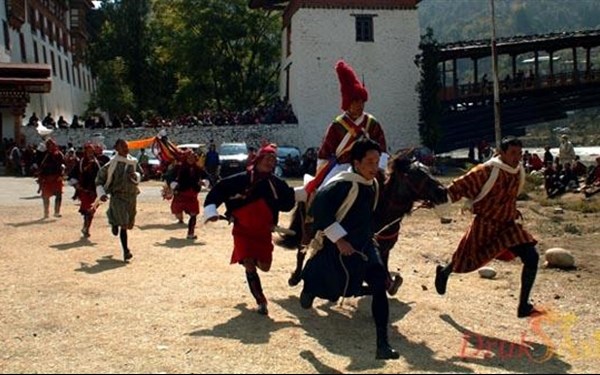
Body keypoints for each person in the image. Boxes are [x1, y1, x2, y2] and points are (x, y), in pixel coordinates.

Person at [298, 138, 399, 360]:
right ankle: (310, 291)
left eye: (376, 161)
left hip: (364, 246)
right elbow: (319, 214)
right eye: (369, 162)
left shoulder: (372, 185)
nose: (375, 167)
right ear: (356, 162)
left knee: (378, 284)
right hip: (336, 247)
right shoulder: (340, 185)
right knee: (329, 288)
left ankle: (382, 345)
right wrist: (340, 240)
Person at [434, 136, 544, 319]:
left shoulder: (518, 171)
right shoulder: (487, 170)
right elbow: (462, 185)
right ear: (502, 153)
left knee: (532, 257)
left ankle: (523, 306)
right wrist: (439, 198)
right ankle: (444, 272)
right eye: (513, 153)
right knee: (465, 259)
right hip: (485, 225)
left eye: (519, 153)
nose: (517, 157)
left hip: (508, 226)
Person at [203, 144, 298, 315]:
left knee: (265, 266)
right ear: (259, 159)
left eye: (273, 160)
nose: (271, 162)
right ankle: (261, 301)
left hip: (263, 232)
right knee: (249, 263)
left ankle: (250, 260)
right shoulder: (239, 180)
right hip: (242, 230)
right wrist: (211, 211)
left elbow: (287, 203)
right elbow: (219, 191)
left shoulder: (276, 184)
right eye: (268, 158)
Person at [303, 60, 388, 198]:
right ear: (347, 103)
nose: (360, 105)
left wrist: (380, 168)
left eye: (362, 101)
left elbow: (382, 150)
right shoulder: (337, 125)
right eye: (356, 101)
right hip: (342, 167)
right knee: (324, 193)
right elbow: (325, 153)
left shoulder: (372, 123)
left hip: (368, 167)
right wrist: (322, 172)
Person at [95, 139, 142, 262]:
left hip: (131, 196)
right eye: (123, 147)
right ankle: (126, 251)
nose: (126, 149)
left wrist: (136, 176)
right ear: (117, 148)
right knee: (124, 225)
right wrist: (102, 194)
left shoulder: (133, 162)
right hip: (118, 196)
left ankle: (113, 220)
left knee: (129, 222)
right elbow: (99, 180)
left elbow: (141, 174)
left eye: (127, 146)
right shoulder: (111, 165)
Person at [169, 150, 206, 239]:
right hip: (181, 193)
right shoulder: (179, 167)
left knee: (194, 214)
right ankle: (182, 215)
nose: (192, 159)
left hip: (193, 194)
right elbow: (169, 177)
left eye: (193, 157)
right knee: (177, 211)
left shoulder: (198, 168)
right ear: (186, 158)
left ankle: (190, 233)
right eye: (189, 157)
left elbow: (206, 176)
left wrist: (204, 182)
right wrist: (173, 184)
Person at [68, 142, 101, 238]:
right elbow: (72, 175)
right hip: (84, 190)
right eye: (88, 151)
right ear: (85, 152)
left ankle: (86, 227)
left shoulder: (97, 162)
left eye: (92, 151)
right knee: (88, 210)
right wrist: (76, 185)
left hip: (94, 191)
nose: (90, 153)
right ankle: (86, 228)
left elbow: (101, 175)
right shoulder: (81, 162)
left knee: (92, 210)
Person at [37, 139, 66, 218]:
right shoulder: (44, 155)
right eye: (49, 145)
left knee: (59, 195)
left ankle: (57, 211)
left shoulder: (59, 154)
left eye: (52, 145)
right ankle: (46, 212)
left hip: (57, 177)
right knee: (45, 196)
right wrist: (40, 176)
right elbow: (40, 165)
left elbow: (63, 165)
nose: (51, 146)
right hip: (46, 178)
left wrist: (62, 174)